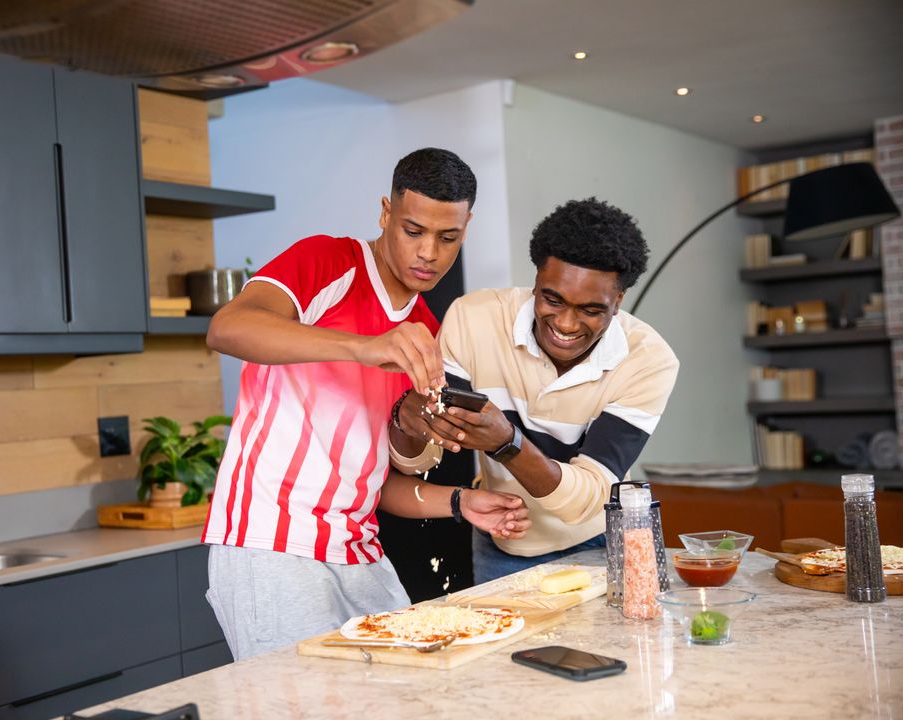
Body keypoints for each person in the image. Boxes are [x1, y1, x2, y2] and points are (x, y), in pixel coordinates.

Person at [202, 148, 530, 659]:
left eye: (448, 238)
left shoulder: (427, 330)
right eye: (413, 230)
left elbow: (373, 481)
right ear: (385, 213)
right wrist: (364, 346)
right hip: (272, 543)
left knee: (408, 692)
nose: (429, 253)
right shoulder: (328, 261)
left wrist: (458, 502)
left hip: (359, 549)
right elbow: (227, 328)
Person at [398, 197, 679, 583]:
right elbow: (433, 446)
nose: (565, 323)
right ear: (535, 280)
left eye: (591, 310)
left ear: (619, 301)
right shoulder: (474, 320)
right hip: (508, 541)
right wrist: (409, 420)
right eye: (552, 299)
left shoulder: (648, 360)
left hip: (605, 544)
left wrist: (507, 444)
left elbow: (588, 499)